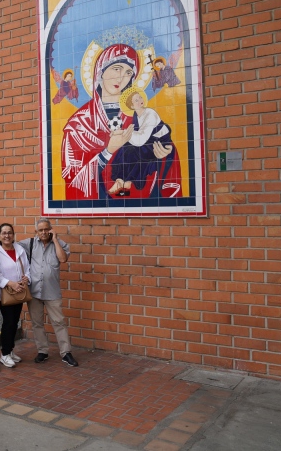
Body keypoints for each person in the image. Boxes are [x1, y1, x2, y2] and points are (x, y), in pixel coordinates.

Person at [60, 43, 181, 200]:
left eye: (128, 72)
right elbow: (71, 177)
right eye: (116, 68)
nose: (121, 77)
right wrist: (107, 151)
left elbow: (163, 142)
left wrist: (164, 154)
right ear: (100, 71)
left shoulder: (138, 114)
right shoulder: (79, 123)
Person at [18, 218, 78, 367]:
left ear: (51, 229)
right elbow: (10, 246)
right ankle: (42, 351)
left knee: (59, 322)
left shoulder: (60, 243)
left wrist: (55, 240)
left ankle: (66, 353)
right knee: (37, 323)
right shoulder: (29, 243)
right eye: (41, 230)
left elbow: (63, 259)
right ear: (36, 232)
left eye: (46, 229)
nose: (44, 232)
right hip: (34, 292)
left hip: (52, 292)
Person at [108, 88, 175, 196]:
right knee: (126, 148)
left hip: (159, 143)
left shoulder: (150, 114)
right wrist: (121, 133)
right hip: (149, 141)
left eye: (139, 97)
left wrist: (120, 132)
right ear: (132, 106)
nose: (140, 100)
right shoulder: (136, 115)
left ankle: (125, 182)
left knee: (135, 152)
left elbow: (141, 139)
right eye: (136, 100)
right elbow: (137, 136)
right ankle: (122, 181)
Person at [0, 223, 31, 369]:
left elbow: (27, 268)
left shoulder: (20, 249)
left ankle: (10, 350)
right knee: (8, 323)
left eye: (10, 233)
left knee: (14, 322)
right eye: (4, 233)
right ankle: (4, 354)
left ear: (13, 235)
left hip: (19, 291)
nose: (7, 235)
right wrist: (10, 283)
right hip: (6, 293)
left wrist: (26, 277)